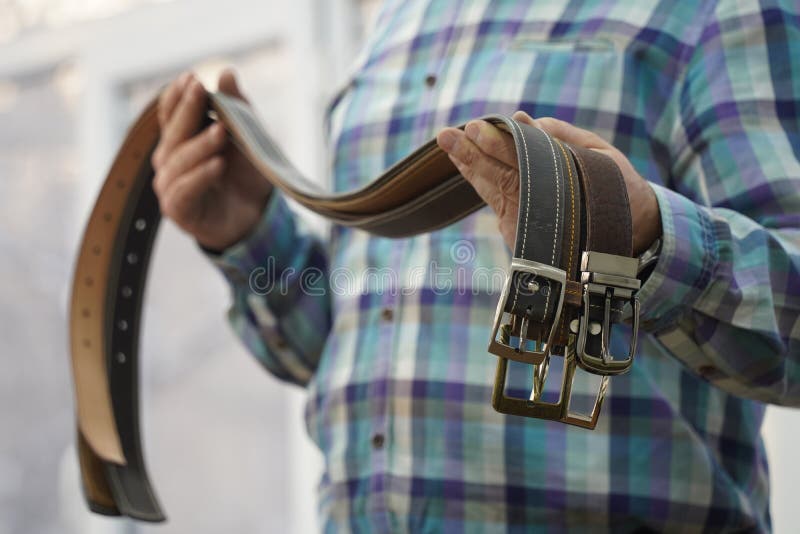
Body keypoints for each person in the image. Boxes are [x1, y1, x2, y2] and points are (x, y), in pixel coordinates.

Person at [150, 1, 800, 531]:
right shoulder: (394, 25)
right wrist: (248, 236)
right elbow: (346, 356)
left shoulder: (718, 12)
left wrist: (652, 243)